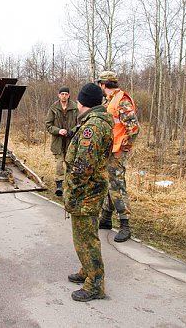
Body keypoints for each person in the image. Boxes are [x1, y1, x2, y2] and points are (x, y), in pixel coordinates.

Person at [64, 83, 113, 302]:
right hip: (92, 189)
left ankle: (95, 283)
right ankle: (87, 269)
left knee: (86, 239)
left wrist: (71, 193)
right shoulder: (99, 122)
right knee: (85, 235)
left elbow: (83, 166)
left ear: (82, 103)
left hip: (86, 192)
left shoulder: (92, 128)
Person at [96, 71, 139, 242]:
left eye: (100, 84)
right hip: (109, 150)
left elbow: (134, 128)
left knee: (118, 186)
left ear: (103, 85)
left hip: (117, 152)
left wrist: (123, 149)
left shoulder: (122, 100)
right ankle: (106, 218)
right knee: (110, 183)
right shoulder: (109, 100)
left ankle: (125, 225)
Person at [45, 86, 78, 197]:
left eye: (66, 94)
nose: (64, 96)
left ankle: (70, 184)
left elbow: (80, 123)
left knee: (70, 162)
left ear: (69, 95)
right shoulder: (53, 108)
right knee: (59, 163)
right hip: (58, 140)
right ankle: (59, 184)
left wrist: (71, 131)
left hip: (71, 140)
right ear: (58, 95)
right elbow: (48, 125)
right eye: (62, 94)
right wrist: (59, 131)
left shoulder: (75, 107)